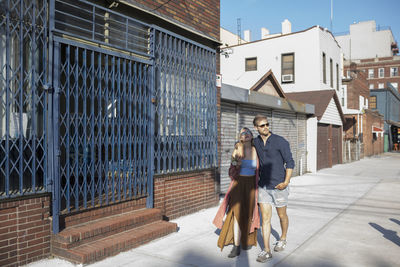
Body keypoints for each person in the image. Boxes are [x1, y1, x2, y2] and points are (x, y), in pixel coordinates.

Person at [252, 114, 294, 263]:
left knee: (282, 215)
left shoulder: (280, 141)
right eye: (262, 125)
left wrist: (286, 182)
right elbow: (243, 148)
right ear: (256, 128)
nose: (266, 127)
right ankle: (267, 250)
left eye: (267, 124)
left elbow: (290, 163)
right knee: (266, 220)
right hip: (263, 186)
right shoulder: (255, 142)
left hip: (279, 186)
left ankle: (283, 238)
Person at [213, 127, 260, 258]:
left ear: (251, 136)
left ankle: (246, 239)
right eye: (243, 133)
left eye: (248, 133)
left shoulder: (255, 150)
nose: (246, 135)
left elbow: (258, 170)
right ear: (240, 137)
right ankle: (236, 246)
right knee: (237, 212)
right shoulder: (237, 148)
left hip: (251, 185)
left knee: (249, 212)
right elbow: (232, 165)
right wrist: (236, 162)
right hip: (239, 184)